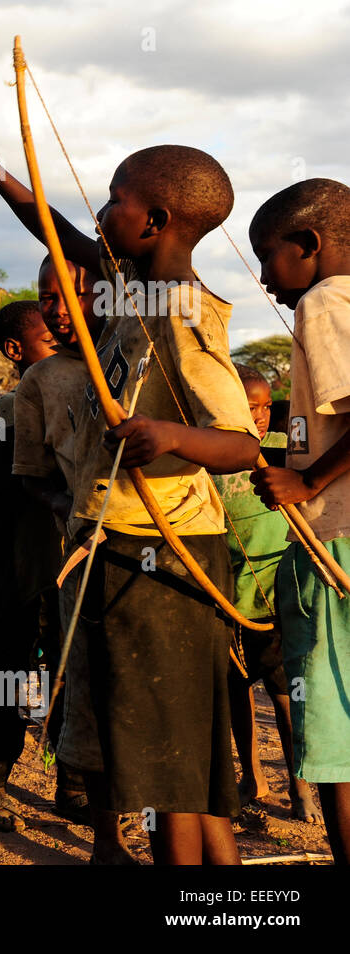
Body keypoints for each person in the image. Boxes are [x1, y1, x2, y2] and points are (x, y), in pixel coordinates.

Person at [0, 100, 258, 865]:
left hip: (169, 552)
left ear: (155, 222)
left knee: (171, 759)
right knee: (135, 737)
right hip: (119, 544)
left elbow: (242, 442)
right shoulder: (130, 291)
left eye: (116, 199)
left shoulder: (182, 316)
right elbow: (57, 233)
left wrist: (168, 436)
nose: (101, 212)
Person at [15, 256, 137, 863]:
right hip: (85, 549)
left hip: (155, 542)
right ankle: (107, 840)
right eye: (46, 296)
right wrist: (75, 504)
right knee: (87, 689)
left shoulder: (136, 352)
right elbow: (32, 475)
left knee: (143, 692)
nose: (58, 308)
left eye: (74, 293)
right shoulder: (39, 381)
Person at [249, 177, 350, 864]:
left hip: (336, 543)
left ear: (309, 246)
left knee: (338, 746)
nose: (264, 278)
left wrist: (306, 479)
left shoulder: (325, 301)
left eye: (269, 256)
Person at [0, 299, 61, 831]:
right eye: (49, 340)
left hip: (66, 561)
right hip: (20, 564)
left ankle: (72, 782)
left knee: (69, 671)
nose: (62, 347)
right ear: (16, 352)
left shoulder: (72, 396)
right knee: (5, 669)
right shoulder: (10, 410)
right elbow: (24, 486)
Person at [213, 365, 315, 823]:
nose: (256, 415)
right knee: (237, 691)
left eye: (264, 406)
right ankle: (252, 775)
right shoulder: (212, 461)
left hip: (277, 598)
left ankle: (300, 788)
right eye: (245, 406)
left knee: (286, 698)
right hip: (228, 598)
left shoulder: (282, 451)